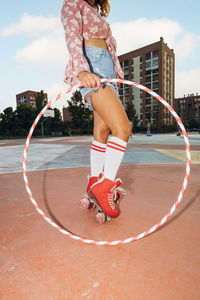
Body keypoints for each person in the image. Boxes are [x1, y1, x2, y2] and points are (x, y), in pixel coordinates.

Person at [61, 0, 131, 218]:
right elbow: (72, 38)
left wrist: (117, 77)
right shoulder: (72, 3)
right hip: (92, 68)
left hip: (108, 72)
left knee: (102, 132)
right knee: (123, 129)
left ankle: (94, 181)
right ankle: (105, 184)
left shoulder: (95, 12)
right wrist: (81, 72)